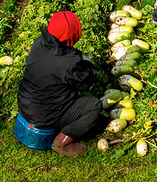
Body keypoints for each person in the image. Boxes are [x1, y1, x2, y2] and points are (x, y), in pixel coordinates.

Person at [16, 11, 102, 157]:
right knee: (94, 106)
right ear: (72, 35)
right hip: (45, 115)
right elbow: (85, 84)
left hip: (25, 106)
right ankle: (61, 142)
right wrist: (88, 66)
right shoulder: (69, 61)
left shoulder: (39, 43)